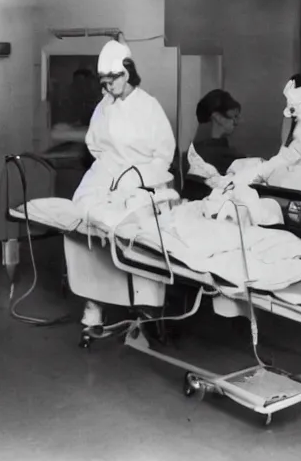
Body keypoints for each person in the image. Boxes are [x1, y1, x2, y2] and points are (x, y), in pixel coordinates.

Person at [64, 39, 177, 333]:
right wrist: (107, 175)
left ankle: (145, 311)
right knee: (86, 228)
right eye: (103, 81)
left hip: (142, 179)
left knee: (138, 238)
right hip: (106, 175)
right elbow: (94, 144)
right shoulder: (104, 107)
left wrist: (136, 180)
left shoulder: (149, 107)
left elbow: (163, 155)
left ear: (126, 73)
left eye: (110, 80)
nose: (107, 86)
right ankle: (95, 303)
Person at [227, 74, 301, 202]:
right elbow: (285, 152)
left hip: (300, 189)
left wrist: (258, 173)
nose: (289, 102)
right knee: (239, 168)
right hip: (291, 183)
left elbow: (292, 156)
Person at [182, 89, 244, 198]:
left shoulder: (193, 152)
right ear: (218, 117)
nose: (237, 123)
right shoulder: (217, 155)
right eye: (234, 116)